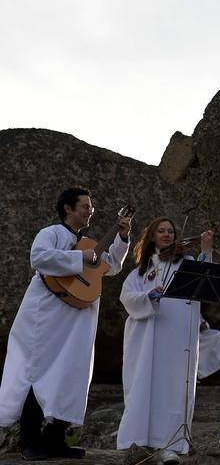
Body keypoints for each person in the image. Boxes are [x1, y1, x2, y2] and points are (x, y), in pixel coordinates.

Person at [0, 187, 131, 461]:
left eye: (91, 208)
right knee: (39, 374)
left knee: (71, 374)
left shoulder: (90, 242)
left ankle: (56, 439)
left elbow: (113, 266)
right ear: (68, 209)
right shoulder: (51, 233)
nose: (90, 211)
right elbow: (39, 258)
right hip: (46, 318)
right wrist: (77, 258)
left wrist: (121, 236)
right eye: (85, 206)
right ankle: (29, 442)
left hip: (78, 318)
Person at [116, 217, 213, 465]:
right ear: (152, 236)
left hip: (177, 338)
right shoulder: (142, 270)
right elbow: (127, 297)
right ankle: (140, 443)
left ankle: (170, 445)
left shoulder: (187, 263)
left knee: (173, 388)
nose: (167, 234)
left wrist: (205, 250)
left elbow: (204, 280)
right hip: (146, 340)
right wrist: (148, 296)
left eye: (171, 231)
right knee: (144, 387)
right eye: (161, 231)